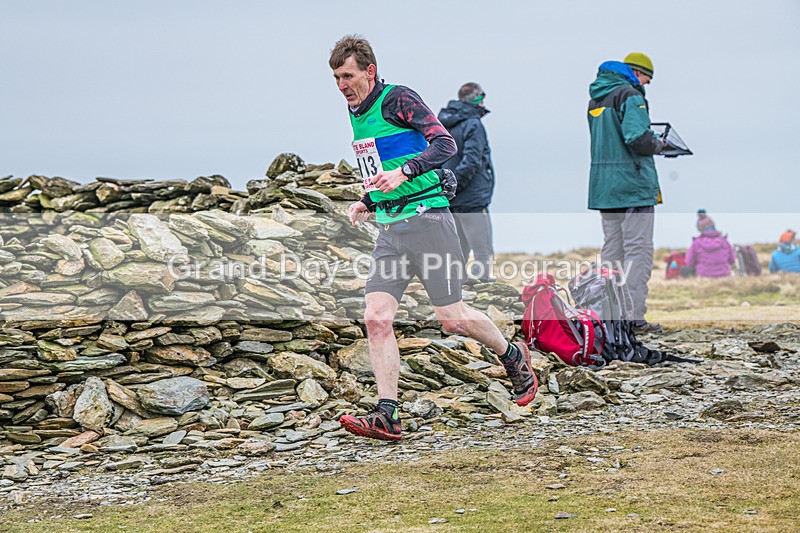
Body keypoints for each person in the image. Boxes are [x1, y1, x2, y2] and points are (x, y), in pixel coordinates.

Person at [329, 35, 537, 441]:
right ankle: (387, 413)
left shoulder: (399, 99)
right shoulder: (354, 109)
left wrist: (404, 173)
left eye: (348, 76)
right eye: (336, 77)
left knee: (453, 319)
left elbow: (445, 143)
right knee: (376, 318)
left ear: (369, 71)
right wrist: (367, 200)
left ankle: (513, 356)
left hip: (430, 223)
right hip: (390, 231)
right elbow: (380, 164)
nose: (341, 85)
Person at [587, 52, 666, 334]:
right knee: (638, 250)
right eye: (647, 77)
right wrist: (659, 144)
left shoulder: (596, 98)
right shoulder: (631, 95)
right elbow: (637, 137)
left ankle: (608, 316)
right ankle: (633, 318)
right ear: (636, 72)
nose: (646, 84)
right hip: (633, 187)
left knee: (612, 251)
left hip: (604, 188)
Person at [438, 83, 496, 282]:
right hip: (472, 199)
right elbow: (471, 160)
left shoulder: (443, 124)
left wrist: (448, 188)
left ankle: (458, 290)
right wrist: (457, 184)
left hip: (450, 199)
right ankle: (484, 291)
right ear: (478, 99)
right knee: (482, 249)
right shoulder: (473, 124)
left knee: (459, 248)